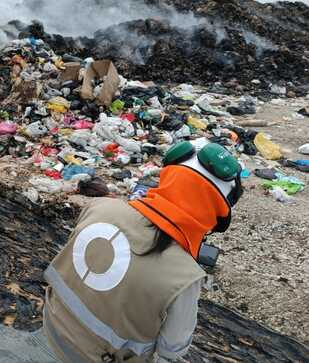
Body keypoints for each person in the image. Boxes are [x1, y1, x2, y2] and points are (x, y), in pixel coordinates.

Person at [43, 140, 243, 363]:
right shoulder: (185, 277)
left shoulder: (99, 206)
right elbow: (171, 352)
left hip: (52, 324)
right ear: (218, 213)